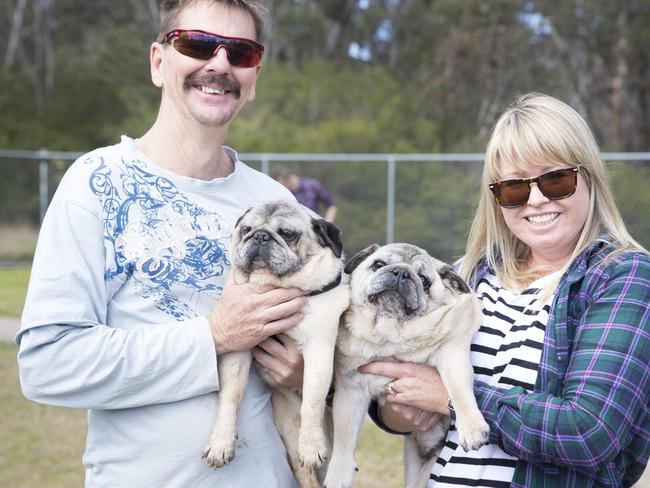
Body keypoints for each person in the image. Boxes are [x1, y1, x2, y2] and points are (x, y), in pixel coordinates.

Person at [16, 1, 306, 487]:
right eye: (195, 44)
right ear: (158, 61)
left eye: (241, 52)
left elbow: (320, 346)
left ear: (254, 75)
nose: (219, 64)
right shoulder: (97, 182)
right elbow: (48, 363)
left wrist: (304, 372)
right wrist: (214, 336)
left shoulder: (277, 205)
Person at [359, 93, 650, 487]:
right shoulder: (469, 275)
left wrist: (452, 397)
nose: (535, 199)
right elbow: (397, 389)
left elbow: (589, 432)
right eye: (513, 188)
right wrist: (395, 409)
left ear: (590, 177)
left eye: (556, 180)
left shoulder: (622, 276)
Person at [273, 166, 338, 222]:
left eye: (282, 185)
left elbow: (331, 204)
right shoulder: (284, 194)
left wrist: (328, 223)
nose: (280, 188)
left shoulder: (313, 186)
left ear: (288, 180)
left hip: (313, 228)